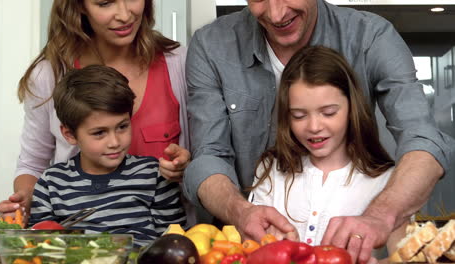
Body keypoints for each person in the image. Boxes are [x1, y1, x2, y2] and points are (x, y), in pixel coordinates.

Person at [184, 0, 455, 262]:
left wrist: (380, 216)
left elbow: (423, 137)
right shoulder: (211, 45)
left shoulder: (371, 35)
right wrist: (240, 211)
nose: (276, 15)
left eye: (328, 112)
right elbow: (209, 156)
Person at [0, 0, 191, 223]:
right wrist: (23, 202)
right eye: (105, 3)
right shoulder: (47, 75)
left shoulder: (181, 63)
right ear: (79, 6)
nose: (124, 14)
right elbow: (33, 163)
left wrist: (188, 165)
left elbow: (212, 152)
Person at [249, 45, 400, 260]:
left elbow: (405, 256)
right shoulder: (272, 169)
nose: (314, 126)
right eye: (299, 115)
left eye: (328, 113)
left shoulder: (388, 181)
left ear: (352, 108)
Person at [28, 65, 186, 247]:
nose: (114, 142)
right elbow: (40, 248)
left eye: (122, 127)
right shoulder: (51, 183)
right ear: (69, 134)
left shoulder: (153, 175)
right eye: (99, 133)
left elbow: (174, 242)